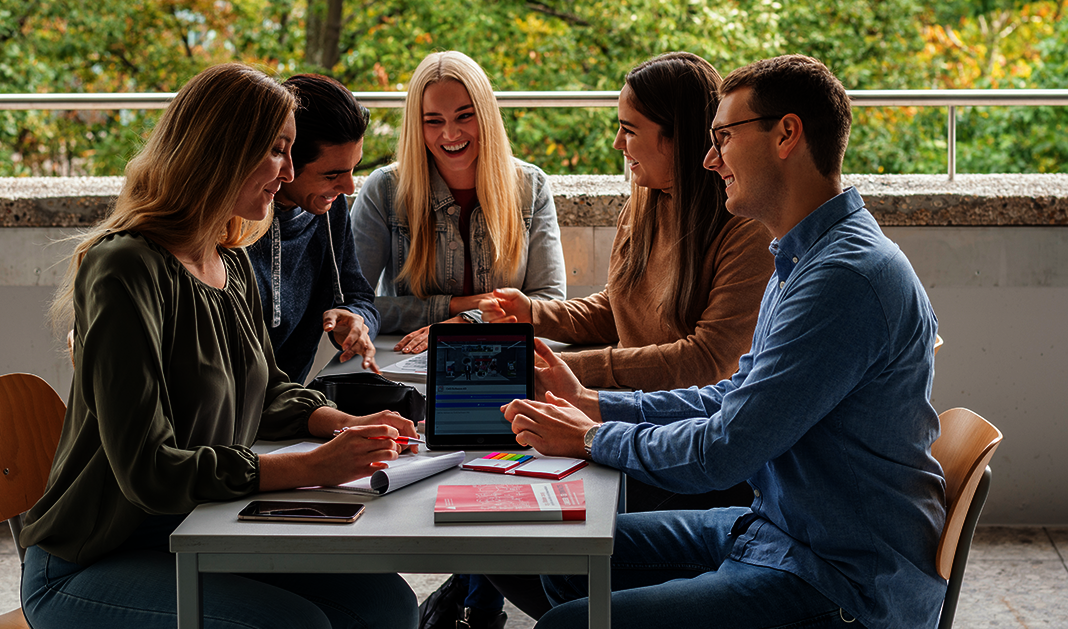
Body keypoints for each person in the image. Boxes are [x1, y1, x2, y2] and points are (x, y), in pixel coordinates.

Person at [503, 54, 947, 629]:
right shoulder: (800, 258)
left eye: (724, 137)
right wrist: (595, 404)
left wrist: (592, 438)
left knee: (568, 620)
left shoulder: (844, 278)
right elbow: (731, 392)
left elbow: (724, 449)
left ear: (787, 134)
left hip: (837, 576)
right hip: (777, 532)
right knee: (560, 564)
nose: (710, 159)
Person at [20, 63, 420, 629]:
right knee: (293, 625)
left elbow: (269, 390)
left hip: (195, 525)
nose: (287, 173)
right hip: (94, 555)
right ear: (223, 151)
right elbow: (151, 472)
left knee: (389, 607)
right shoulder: (123, 268)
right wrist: (313, 468)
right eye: (279, 150)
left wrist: (343, 424)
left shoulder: (227, 260)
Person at [481, 51, 774, 392]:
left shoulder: (747, 229)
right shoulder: (645, 202)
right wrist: (533, 314)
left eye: (629, 130)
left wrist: (557, 367)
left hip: (682, 421)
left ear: (679, 138)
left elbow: (707, 361)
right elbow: (619, 309)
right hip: (627, 403)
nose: (618, 143)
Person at [351, 49, 566, 351]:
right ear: (417, 125)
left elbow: (549, 303)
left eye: (465, 116)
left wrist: (468, 320)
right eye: (433, 121)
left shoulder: (531, 186)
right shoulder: (384, 190)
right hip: (402, 357)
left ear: (486, 115)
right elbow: (353, 305)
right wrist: (456, 306)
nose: (450, 133)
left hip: (505, 354)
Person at [248, 73, 381, 384]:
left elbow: (360, 296)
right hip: (245, 416)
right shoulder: (232, 229)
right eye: (332, 174)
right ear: (284, 160)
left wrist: (357, 322)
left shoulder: (327, 208)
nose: (348, 187)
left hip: (291, 406)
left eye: (354, 168)